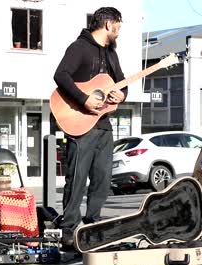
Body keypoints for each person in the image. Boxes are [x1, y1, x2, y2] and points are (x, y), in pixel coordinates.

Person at [53, 7, 127, 249]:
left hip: (103, 124)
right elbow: (61, 75)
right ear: (109, 24)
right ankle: (68, 229)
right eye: (119, 25)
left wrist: (121, 96)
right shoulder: (79, 48)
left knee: (103, 178)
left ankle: (92, 223)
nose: (119, 30)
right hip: (79, 123)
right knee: (77, 178)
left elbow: (122, 84)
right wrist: (84, 98)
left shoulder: (112, 54)